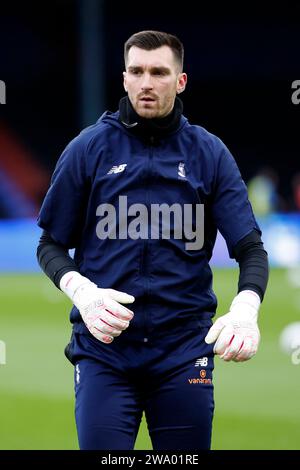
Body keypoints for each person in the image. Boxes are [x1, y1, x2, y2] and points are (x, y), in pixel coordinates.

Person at [36, 30, 269, 450]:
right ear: (124, 78)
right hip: (104, 352)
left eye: (159, 72)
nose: (147, 82)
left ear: (180, 81)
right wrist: (83, 294)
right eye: (137, 71)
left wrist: (246, 308)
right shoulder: (87, 149)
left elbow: (250, 248)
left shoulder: (210, 154)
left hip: (184, 352)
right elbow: (49, 244)